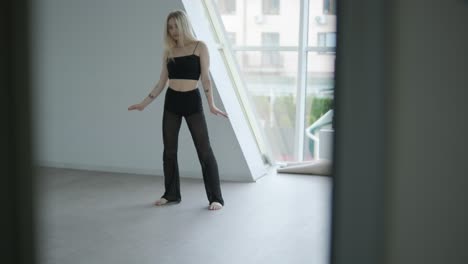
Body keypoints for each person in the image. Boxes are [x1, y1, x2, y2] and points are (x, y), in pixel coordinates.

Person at [128, 10, 227, 211]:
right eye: (169, 27)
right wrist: (143, 104)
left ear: (183, 25)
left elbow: (206, 79)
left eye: (175, 26)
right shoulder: (169, 52)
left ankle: (216, 198)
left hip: (192, 101)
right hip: (172, 101)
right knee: (169, 151)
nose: (173, 31)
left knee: (204, 151)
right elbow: (161, 82)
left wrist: (211, 105)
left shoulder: (200, 47)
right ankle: (171, 194)